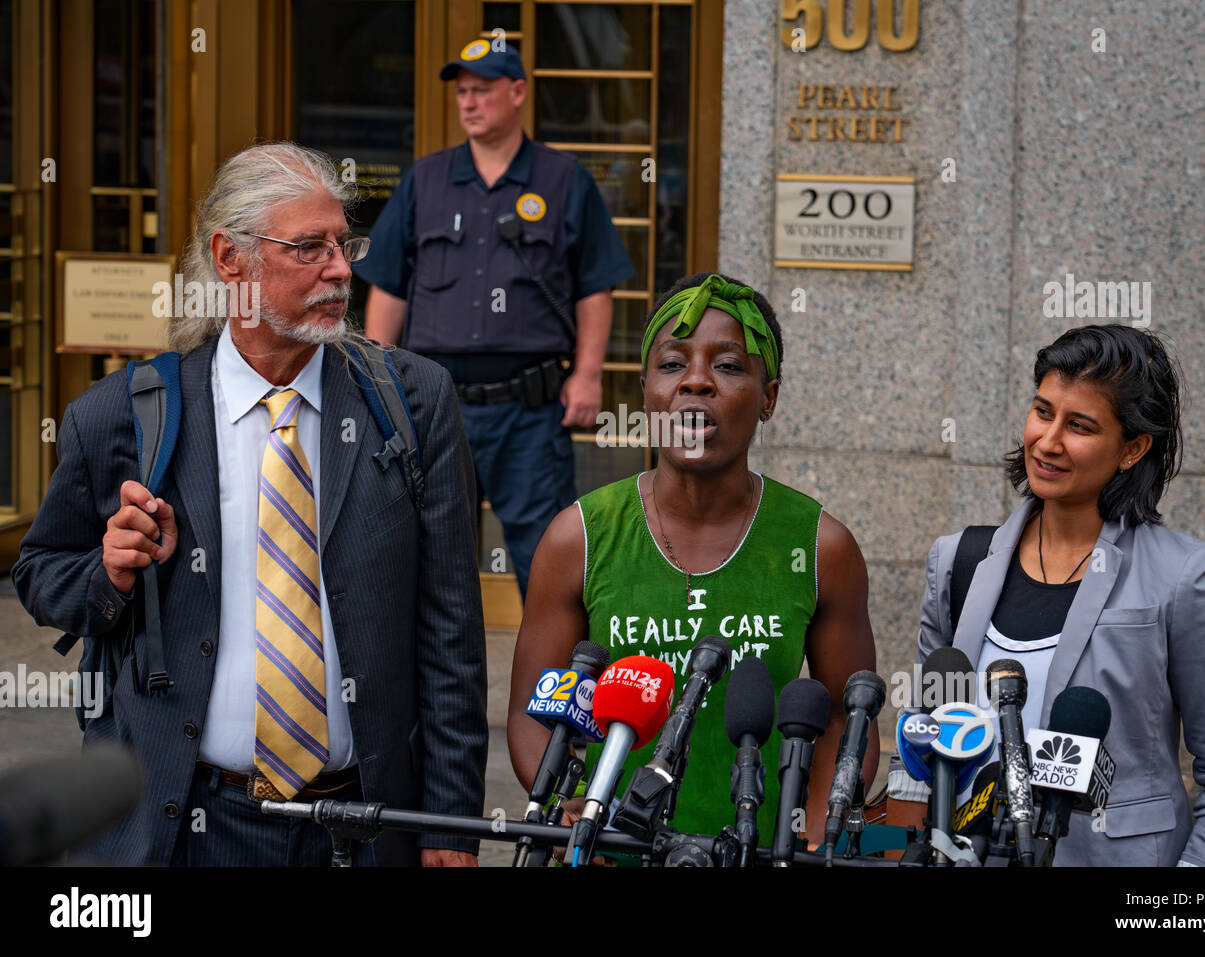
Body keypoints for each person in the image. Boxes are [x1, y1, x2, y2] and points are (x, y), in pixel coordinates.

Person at [13, 142, 488, 867]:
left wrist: (451, 823)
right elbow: (42, 571)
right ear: (230, 260)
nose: (339, 268)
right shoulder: (122, 416)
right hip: (190, 826)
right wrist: (108, 575)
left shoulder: (414, 401)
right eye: (308, 248)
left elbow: (451, 625)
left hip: (363, 824)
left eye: (342, 242)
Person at [507, 272, 879, 849]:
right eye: (673, 363)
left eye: (729, 366)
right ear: (645, 389)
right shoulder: (577, 537)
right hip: (614, 851)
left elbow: (844, 721)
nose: (697, 382)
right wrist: (566, 813)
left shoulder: (822, 546)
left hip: (756, 850)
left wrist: (804, 835)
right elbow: (537, 714)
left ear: (769, 398)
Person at [903, 324, 1205, 866]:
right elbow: (921, 736)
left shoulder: (1180, 578)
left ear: (1133, 448)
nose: (1048, 441)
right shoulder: (959, 562)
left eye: (1079, 426)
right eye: (1043, 411)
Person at [356, 40, 635, 598]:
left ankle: (555, 684)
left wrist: (587, 374)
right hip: (434, 406)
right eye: (461, 92)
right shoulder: (426, 180)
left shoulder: (564, 181)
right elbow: (389, 285)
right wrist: (373, 380)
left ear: (517, 93)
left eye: (481, 90)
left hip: (527, 412)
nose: (469, 102)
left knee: (547, 562)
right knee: (425, 558)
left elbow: (593, 288)